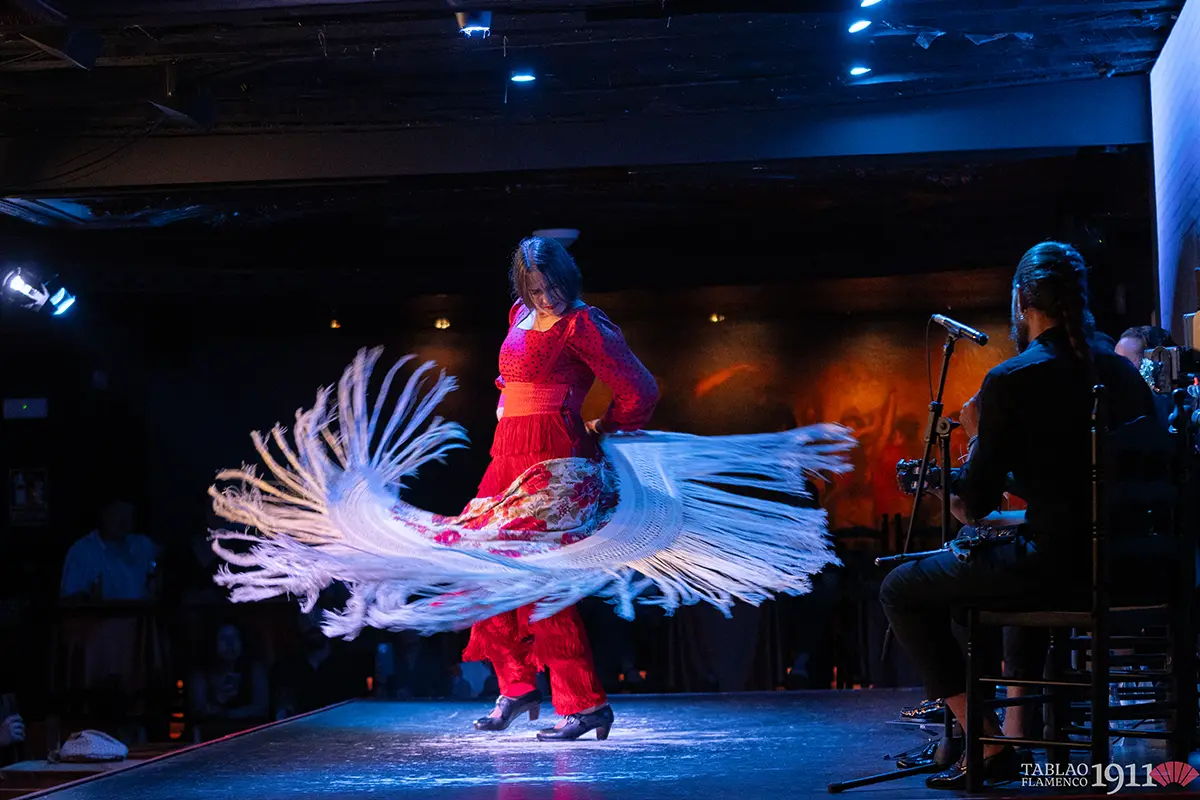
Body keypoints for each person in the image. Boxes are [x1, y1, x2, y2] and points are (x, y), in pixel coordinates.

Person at [878, 241, 1155, 789]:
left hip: (1057, 571)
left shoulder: (1011, 380)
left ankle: (989, 742)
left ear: (1022, 299)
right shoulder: (1125, 375)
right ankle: (1009, 731)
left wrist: (951, 473)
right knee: (978, 582)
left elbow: (971, 507)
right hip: (1132, 570)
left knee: (900, 588)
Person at [462, 235, 659, 741]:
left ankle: (584, 704)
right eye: (535, 289)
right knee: (484, 569)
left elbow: (640, 389)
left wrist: (604, 427)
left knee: (543, 583)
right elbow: (511, 380)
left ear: (568, 278)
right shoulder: (517, 315)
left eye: (553, 287)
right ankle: (516, 686)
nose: (546, 298)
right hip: (506, 454)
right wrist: (507, 403)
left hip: (555, 455)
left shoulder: (584, 323)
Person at [188, 621, 269, 724]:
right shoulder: (201, 674)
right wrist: (218, 699)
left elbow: (262, 709)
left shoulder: (254, 669)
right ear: (213, 643)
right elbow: (197, 713)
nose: (230, 644)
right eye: (223, 638)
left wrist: (226, 714)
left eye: (235, 637)